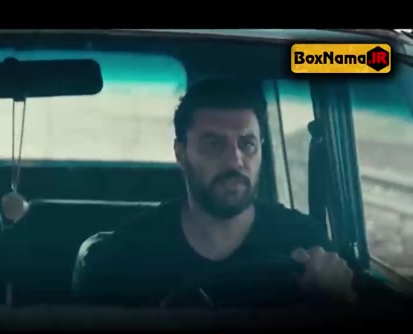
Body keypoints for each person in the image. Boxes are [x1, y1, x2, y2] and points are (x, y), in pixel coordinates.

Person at [73, 78, 357, 307]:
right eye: (213, 144)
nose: (235, 160)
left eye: (247, 144)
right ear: (181, 154)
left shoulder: (307, 244)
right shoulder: (129, 253)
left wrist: (338, 302)